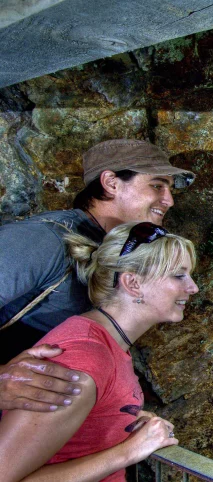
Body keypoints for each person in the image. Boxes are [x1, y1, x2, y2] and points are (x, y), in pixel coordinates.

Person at [0, 139, 194, 413]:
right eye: (157, 185)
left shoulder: (113, 253)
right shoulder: (43, 240)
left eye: (170, 189)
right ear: (111, 183)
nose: (169, 200)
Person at [0, 221, 199, 482]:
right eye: (178, 275)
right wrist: (127, 453)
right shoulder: (86, 357)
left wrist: (117, 421)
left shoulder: (109, 345)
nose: (193, 287)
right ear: (133, 283)